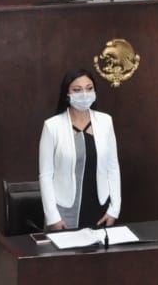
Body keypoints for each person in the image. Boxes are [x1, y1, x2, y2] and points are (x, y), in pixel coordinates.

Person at [39, 68, 121, 230]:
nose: (84, 94)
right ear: (67, 93)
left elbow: (113, 168)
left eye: (89, 89)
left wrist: (114, 209)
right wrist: (53, 216)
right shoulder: (52, 126)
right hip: (65, 210)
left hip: (100, 207)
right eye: (77, 90)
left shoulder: (105, 122)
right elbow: (46, 175)